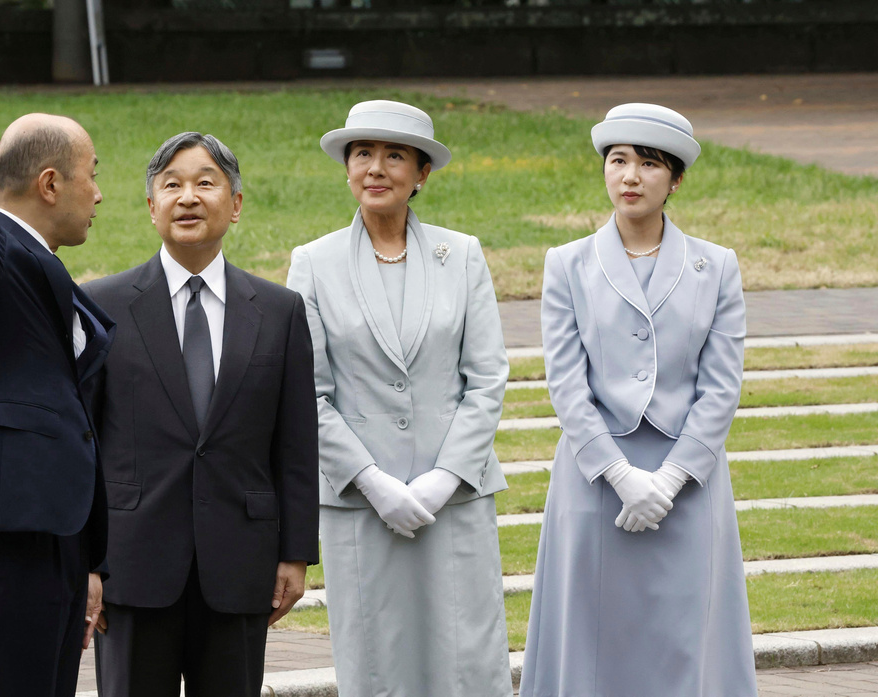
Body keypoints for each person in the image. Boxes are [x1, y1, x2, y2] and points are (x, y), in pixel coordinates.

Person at [519, 103, 757, 696]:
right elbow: (567, 383)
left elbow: (721, 385)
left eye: (648, 164)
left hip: (690, 484)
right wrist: (621, 476)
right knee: (593, 638)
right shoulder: (566, 264)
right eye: (618, 161)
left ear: (675, 180)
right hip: (596, 479)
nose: (630, 176)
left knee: (684, 638)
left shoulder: (717, 267)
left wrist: (672, 479)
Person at [286, 100, 513, 697]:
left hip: (456, 501)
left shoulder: (461, 254)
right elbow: (307, 391)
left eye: (395, 156)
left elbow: (487, 377)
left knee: (467, 661)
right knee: (377, 665)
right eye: (363, 154)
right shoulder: (313, 263)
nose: (377, 168)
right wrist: (371, 481)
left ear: (422, 174)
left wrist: (445, 477)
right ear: (347, 167)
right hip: (362, 508)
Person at [82, 132, 319, 697]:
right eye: (172, 185)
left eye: (206, 183)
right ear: (151, 206)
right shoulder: (101, 305)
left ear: (235, 205)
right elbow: (83, 440)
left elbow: (296, 443)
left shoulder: (279, 312)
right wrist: (83, 563)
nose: (188, 197)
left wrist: (296, 553)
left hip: (240, 565)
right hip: (130, 568)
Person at [0, 95, 115, 697]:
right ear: (51, 183)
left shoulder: (42, 262)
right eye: (94, 176)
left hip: (52, 536)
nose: (99, 194)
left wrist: (84, 559)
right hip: (2, 536)